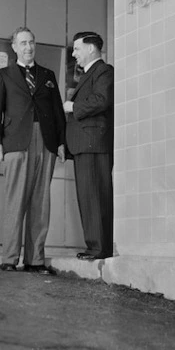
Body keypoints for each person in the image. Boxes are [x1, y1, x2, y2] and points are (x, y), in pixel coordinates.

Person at [0, 27, 66, 275]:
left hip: (45, 142)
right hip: (15, 143)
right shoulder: (3, 75)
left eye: (31, 42)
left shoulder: (48, 75)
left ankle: (36, 260)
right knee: (14, 202)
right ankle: (10, 258)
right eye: (23, 43)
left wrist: (61, 143)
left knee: (40, 203)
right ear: (14, 47)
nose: (28, 47)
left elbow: (57, 113)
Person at [63, 31, 114, 260]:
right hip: (86, 144)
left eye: (76, 48)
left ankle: (99, 248)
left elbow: (101, 100)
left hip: (94, 143)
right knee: (88, 195)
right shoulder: (89, 74)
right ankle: (95, 246)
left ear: (91, 48)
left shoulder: (104, 70)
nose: (74, 54)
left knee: (95, 195)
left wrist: (73, 107)